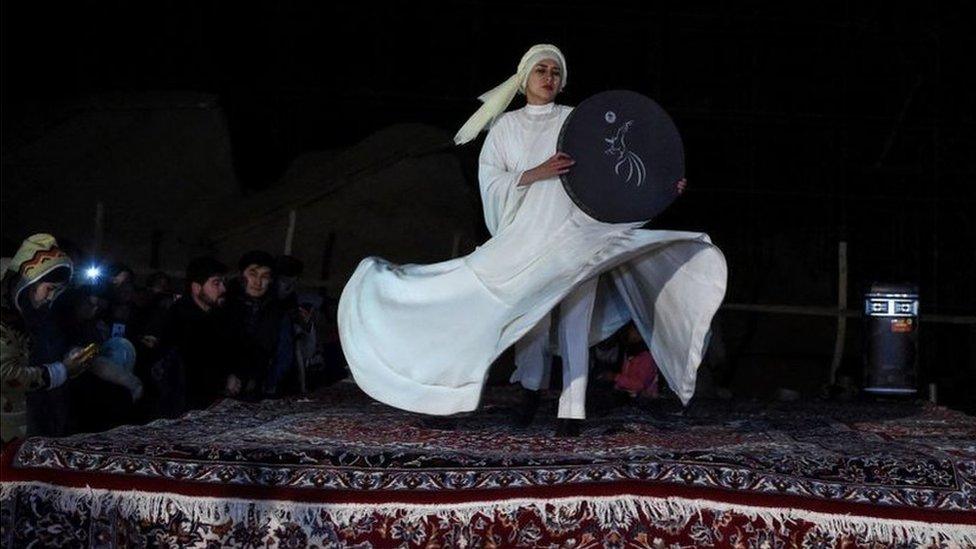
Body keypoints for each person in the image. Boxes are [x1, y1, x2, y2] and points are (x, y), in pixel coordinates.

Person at [338, 44, 727, 436]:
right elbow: (490, 181)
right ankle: (527, 392)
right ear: (525, 79)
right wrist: (535, 172)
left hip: (579, 237)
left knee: (575, 319)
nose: (549, 77)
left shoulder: (578, 121)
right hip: (528, 239)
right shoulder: (506, 127)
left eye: (555, 72)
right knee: (530, 320)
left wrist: (663, 189)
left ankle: (571, 411)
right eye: (541, 70)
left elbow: (616, 179)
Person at [1, 234, 91, 442]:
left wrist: (70, 362)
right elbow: (5, 374)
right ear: (29, 281)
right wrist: (61, 370)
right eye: (49, 289)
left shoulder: (25, 313)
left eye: (56, 292)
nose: (51, 298)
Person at [152, 257, 237, 415]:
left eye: (223, 283)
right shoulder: (180, 319)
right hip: (183, 406)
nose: (223, 289)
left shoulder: (218, 316)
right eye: (216, 283)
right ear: (197, 288)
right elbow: (192, 365)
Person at [225, 251, 294, 397]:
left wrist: (265, 385)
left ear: (271, 280)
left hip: (259, 392)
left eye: (264, 276)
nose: (258, 282)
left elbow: (283, 356)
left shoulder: (278, 313)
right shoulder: (223, 305)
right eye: (253, 274)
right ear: (241, 276)